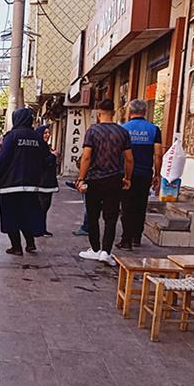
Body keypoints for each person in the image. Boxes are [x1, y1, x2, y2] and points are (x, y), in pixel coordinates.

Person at [75, 99, 134, 266]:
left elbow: (86, 156)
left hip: (94, 179)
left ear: (98, 113)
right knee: (111, 217)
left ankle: (94, 249)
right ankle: (106, 252)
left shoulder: (92, 131)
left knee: (93, 215)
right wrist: (127, 178)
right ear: (113, 113)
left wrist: (81, 178)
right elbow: (129, 159)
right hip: (114, 179)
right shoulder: (122, 132)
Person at [0, 108, 56, 255]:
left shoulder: (12, 136)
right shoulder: (36, 138)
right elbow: (45, 159)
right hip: (31, 186)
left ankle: (16, 247)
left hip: (10, 186)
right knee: (26, 215)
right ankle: (30, 244)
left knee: (11, 216)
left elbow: (3, 160)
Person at [116, 99, 162, 251]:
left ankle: (126, 239)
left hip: (127, 174)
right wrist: (157, 174)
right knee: (140, 205)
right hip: (145, 174)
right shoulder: (154, 129)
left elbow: (119, 153)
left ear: (130, 112)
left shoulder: (123, 129)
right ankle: (137, 236)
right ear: (145, 112)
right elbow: (158, 155)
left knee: (127, 206)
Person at [35, 125, 59, 236]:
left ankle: (41, 228)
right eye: (45, 133)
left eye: (48, 133)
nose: (47, 135)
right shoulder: (39, 147)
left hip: (47, 181)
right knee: (42, 206)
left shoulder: (45, 146)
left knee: (45, 206)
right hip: (42, 182)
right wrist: (53, 156)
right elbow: (43, 163)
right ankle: (38, 229)